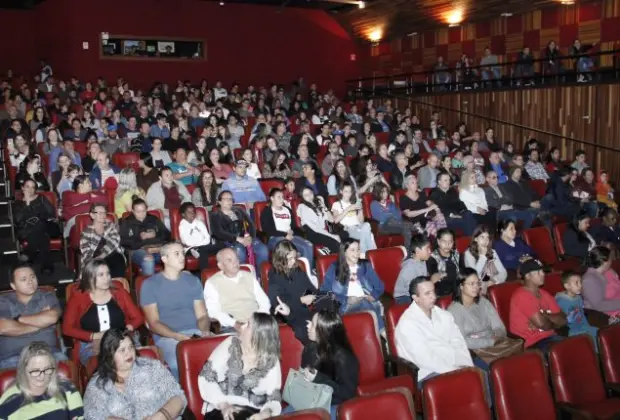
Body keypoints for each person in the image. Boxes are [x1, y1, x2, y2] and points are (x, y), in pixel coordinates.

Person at [140, 242, 211, 379]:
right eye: (176, 254)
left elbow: (202, 316)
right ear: (164, 259)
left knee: (220, 358)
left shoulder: (192, 281)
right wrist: (176, 336)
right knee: (177, 362)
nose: (182, 257)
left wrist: (204, 331)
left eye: (183, 253)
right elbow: (154, 323)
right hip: (167, 337)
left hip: (195, 334)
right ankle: (184, 399)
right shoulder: (150, 285)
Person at [84, 328, 186, 420]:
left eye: (131, 347)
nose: (129, 353)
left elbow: (179, 397)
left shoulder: (152, 368)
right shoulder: (97, 385)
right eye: (122, 350)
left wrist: (162, 415)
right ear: (109, 356)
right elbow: (92, 415)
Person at [198, 313, 282, 419]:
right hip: (221, 407)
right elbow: (206, 376)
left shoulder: (271, 359)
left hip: (253, 411)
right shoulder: (231, 345)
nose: (241, 326)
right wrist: (223, 405)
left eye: (248, 325)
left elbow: (274, 396)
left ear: (258, 335)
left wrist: (265, 413)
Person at [395, 276, 473, 387]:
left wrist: (466, 365)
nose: (433, 296)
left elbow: (458, 342)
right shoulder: (407, 323)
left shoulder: (444, 315)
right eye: (427, 293)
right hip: (428, 373)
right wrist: (454, 371)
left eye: (433, 291)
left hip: (454, 365)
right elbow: (425, 358)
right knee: (465, 384)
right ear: (415, 298)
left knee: (480, 376)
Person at [62, 260, 144, 365]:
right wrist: (93, 336)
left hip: (122, 340)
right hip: (92, 344)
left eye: (108, 273)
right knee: (107, 366)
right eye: (101, 275)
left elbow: (138, 317)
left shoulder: (119, 291)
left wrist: (128, 328)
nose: (107, 278)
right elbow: (67, 328)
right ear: (90, 278)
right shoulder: (78, 297)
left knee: (138, 365)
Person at [282, 310, 359, 420]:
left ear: (323, 331)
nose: (308, 325)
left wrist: (319, 379)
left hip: (332, 405)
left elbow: (348, 394)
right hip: (309, 399)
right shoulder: (311, 348)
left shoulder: (344, 357)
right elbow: (298, 326)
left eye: (313, 324)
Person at [0, 263, 66, 369]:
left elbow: (52, 317)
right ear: (13, 285)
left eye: (32, 277)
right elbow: (3, 327)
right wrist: (41, 324)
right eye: (23, 279)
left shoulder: (47, 296)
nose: (30, 282)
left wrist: (18, 319)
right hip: (13, 357)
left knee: (63, 379)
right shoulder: (3, 301)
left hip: (48, 353)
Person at [0, 342, 83, 419]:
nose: (42, 376)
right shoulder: (9, 400)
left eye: (47, 369)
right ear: (23, 370)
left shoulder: (68, 390)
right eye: (35, 371)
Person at [320, 239, 385, 335]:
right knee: (368, 308)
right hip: (345, 306)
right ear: (344, 252)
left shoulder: (365, 266)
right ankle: (384, 334)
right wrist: (347, 299)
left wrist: (373, 295)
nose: (357, 253)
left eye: (358, 249)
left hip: (367, 302)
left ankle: (382, 337)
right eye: (353, 250)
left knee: (366, 304)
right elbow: (324, 292)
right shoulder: (334, 268)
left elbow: (380, 286)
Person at [447, 268, 507, 369]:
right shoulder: (454, 311)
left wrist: (498, 337)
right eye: (471, 284)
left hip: (495, 346)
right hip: (474, 353)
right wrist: (490, 341)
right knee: (498, 367)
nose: (476, 287)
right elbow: (462, 341)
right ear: (461, 286)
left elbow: (499, 326)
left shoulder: (484, 302)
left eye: (477, 283)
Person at [204, 248, 271, 333]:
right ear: (221, 266)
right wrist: (234, 323)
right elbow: (213, 311)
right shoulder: (212, 283)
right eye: (229, 260)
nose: (235, 262)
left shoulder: (249, 276)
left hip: (256, 323)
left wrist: (258, 319)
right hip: (231, 326)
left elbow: (264, 301)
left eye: (236, 259)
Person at [509, 259, 566, 352]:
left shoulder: (544, 294)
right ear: (527, 276)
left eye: (542, 271)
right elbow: (543, 325)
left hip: (551, 337)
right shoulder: (521, 295)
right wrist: (554, 323)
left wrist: (546, 316)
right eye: (538, 272)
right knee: (563, 351)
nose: (543, 274)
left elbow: (563, 319)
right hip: (533, 343)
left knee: (575, 347)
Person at [267, 240, 317, 343]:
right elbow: (278, 302)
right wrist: (300, 300)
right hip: (291, 315)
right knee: (304, 330)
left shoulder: (297, 269)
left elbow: (312, 289)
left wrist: (313, 296)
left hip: (307, 311)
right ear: (280, 259)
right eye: (290, 258)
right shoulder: (274, 276)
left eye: (295, 257)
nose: (294, 261)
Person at [209, 191, 269, 270]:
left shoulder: (239, 210)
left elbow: (251, 224)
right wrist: (237, 239)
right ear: (219, 202)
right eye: (226, 199)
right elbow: (219, 232)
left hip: (247, 237)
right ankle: (243, 276)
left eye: (231, 199)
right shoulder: (215, 215)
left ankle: (260, 276)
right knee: (239, 251)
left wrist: (250, 237)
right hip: (229, 241)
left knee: (263, 249)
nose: (229, 201)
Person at [13, 179, 59, 273]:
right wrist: (27, 203)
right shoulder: (18, 203)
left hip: (45, 226)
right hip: (27, 230)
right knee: (41, 234)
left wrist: (36, 215)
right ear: (22, 188)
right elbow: (18, 219)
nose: (30, 189)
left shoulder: (41, 198)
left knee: (39, 226)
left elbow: (51, 213)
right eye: (27, 186)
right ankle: (47, 265)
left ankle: (29, 253)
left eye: (33, 187)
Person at [261, 188, 315, 267]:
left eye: (282, 197)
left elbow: (293, 226)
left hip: (290, 236)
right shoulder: (267, 211)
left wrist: (292, 231)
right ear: (272, 198)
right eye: (278, 197)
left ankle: (308, 272)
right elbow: (268, 230)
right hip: (275, 238)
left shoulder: (287, 209)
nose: (281, 199)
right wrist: (284, 235)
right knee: (287, 247)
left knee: (308, 246)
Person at [119, 198, 170, 276]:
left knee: (173, 254)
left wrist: (155, 234)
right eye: (138, 212)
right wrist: (142, 241)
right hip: (138, 251)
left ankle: (170, 285)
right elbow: (123, 241)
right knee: (148, 260)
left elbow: (167, 234)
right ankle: (149, 287)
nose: (141, 214)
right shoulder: (127, 222)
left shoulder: (153, 219)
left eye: (144, 211)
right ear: (132, 211)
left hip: (158, 249)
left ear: (147, 209)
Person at [79, 204, 127, 278]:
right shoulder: (86, 233)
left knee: (117, 259)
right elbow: (86, 253)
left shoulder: (110, 226)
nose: (103, 215)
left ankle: (117, 284)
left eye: (104, 213)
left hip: (112, 255)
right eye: (99, 213)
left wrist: (102, 255)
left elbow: (114, 242)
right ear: (92, 215)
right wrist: (95, 260)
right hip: (94, 259)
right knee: (97, 266)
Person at [370, 183, 417, 254]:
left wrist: (389, 215)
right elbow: (380, 217)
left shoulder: (390, 204)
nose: (386, 193)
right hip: (383, 227)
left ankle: (408, 253)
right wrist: (391, 215)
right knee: (392, 220)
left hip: (395, 225)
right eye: (383, 191)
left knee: (406, 230)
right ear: (377, 192)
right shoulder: (374, 204)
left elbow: (399, 215)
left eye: (386, 191)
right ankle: (416, 228)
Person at [555, 271, 599, 347]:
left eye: (580, 282)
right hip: (572, 331)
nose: (580, 285)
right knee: (591, 341)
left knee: (599, 333)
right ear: (567, 286)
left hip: (584, 327)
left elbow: (582, 314)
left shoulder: (578, 297)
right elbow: (562, 322)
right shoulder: (561, 301)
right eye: (576, 283)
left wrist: (588, 326)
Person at [330, 182, 377, 254]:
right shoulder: (336, 204)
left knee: (367, 226)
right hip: (348, 229)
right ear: (341, 191)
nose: (348, 194)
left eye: (350, 191)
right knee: (370, 234)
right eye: (346, 191)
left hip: (359, 227)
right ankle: (370, 254)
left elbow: (361, 221)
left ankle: (365, 254)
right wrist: (348, 209)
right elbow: (335, 220)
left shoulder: (353, 203)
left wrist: (361, 209)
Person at [394, 234, 440, 304]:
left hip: (417, 292)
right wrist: (431, 281)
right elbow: (414, 290)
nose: (430, 251)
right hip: (404, 297)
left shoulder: (423, 261)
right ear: (418, 250)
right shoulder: (409, 268)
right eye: (427, 248)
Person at [298, 186, 343, 254]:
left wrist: (324, 206)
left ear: (313, 192)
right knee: (335, 242)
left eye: (310, 193)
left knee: (344, 236)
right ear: (302, 197)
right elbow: (315, 228)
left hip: (322, 232)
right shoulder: (302, 207)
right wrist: (332, 236)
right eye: (306, 195)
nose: (309, 196)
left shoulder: (318, 204)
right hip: (313, 234)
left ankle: (328, 252)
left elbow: (331, 220)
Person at [179, 202, 223, 270]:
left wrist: (199, 245)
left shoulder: (199, 223)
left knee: (222, 245)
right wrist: (200, 243)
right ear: (183, 214)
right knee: (203, 252)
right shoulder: (182, 226)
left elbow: (207, 238)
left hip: (203, 247)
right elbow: (187, 242)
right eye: (189, 212)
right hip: (190, 249)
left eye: (193, 211)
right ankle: (203, 274)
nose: (192, 213)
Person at [464, 225, 508, 293]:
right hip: (477, 288)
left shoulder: (492, 252)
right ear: (476, 239)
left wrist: (494, 281)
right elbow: (474, 276)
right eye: (482, 237)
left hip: (495, 285)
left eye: (487, 238)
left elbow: (503, 272)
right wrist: (483, 257)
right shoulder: (469, 254)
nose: (485, 240)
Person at [582, 246, 620, 321]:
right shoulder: (589, 280)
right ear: (605, 261)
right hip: (605, 315)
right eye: (610, 258)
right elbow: (599, 306)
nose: (611, 261)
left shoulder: (609, 271)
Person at [427, 228, 461, 297]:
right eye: (444, 241)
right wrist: (439, 275)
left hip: (456, 290)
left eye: (450, 241)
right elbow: (433, 278)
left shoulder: (456, 254)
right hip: (439, 293)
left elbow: (462, 272)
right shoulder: (432, 257)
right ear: (438, 241)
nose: (447, 244)